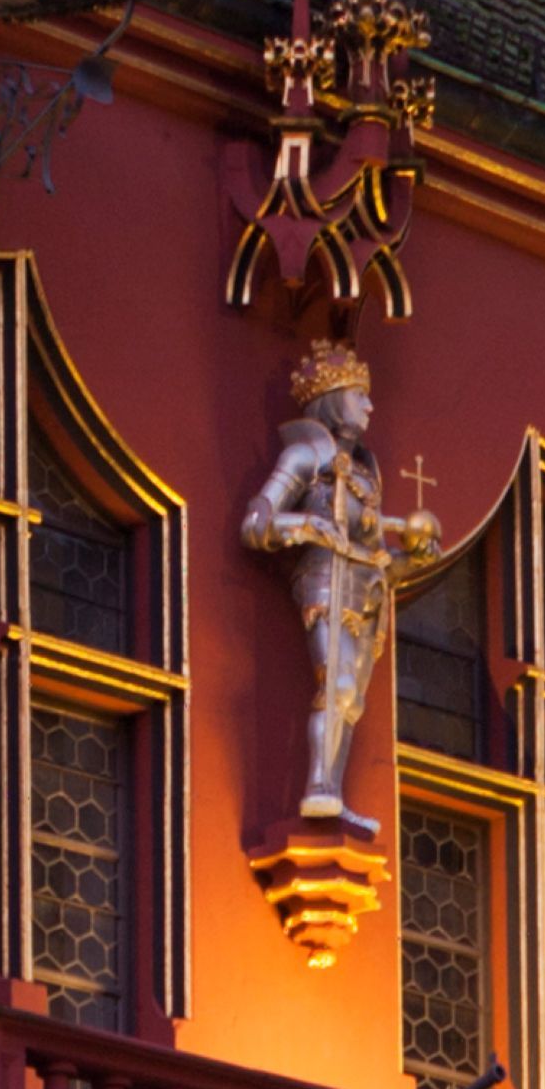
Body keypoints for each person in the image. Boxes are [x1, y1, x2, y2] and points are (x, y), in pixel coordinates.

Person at [241, 342, 404, 827]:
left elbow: (377, 553)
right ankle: (317, 788)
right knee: (339, 685)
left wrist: (414, 557)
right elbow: (256, 523)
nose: (370, 407)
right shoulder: (306, 455)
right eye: (359, 395)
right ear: (332, 400)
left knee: (351, 701)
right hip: (322, 581)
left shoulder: (367, 473)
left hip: (366, 589)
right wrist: (309, 526)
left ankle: (332, 791)